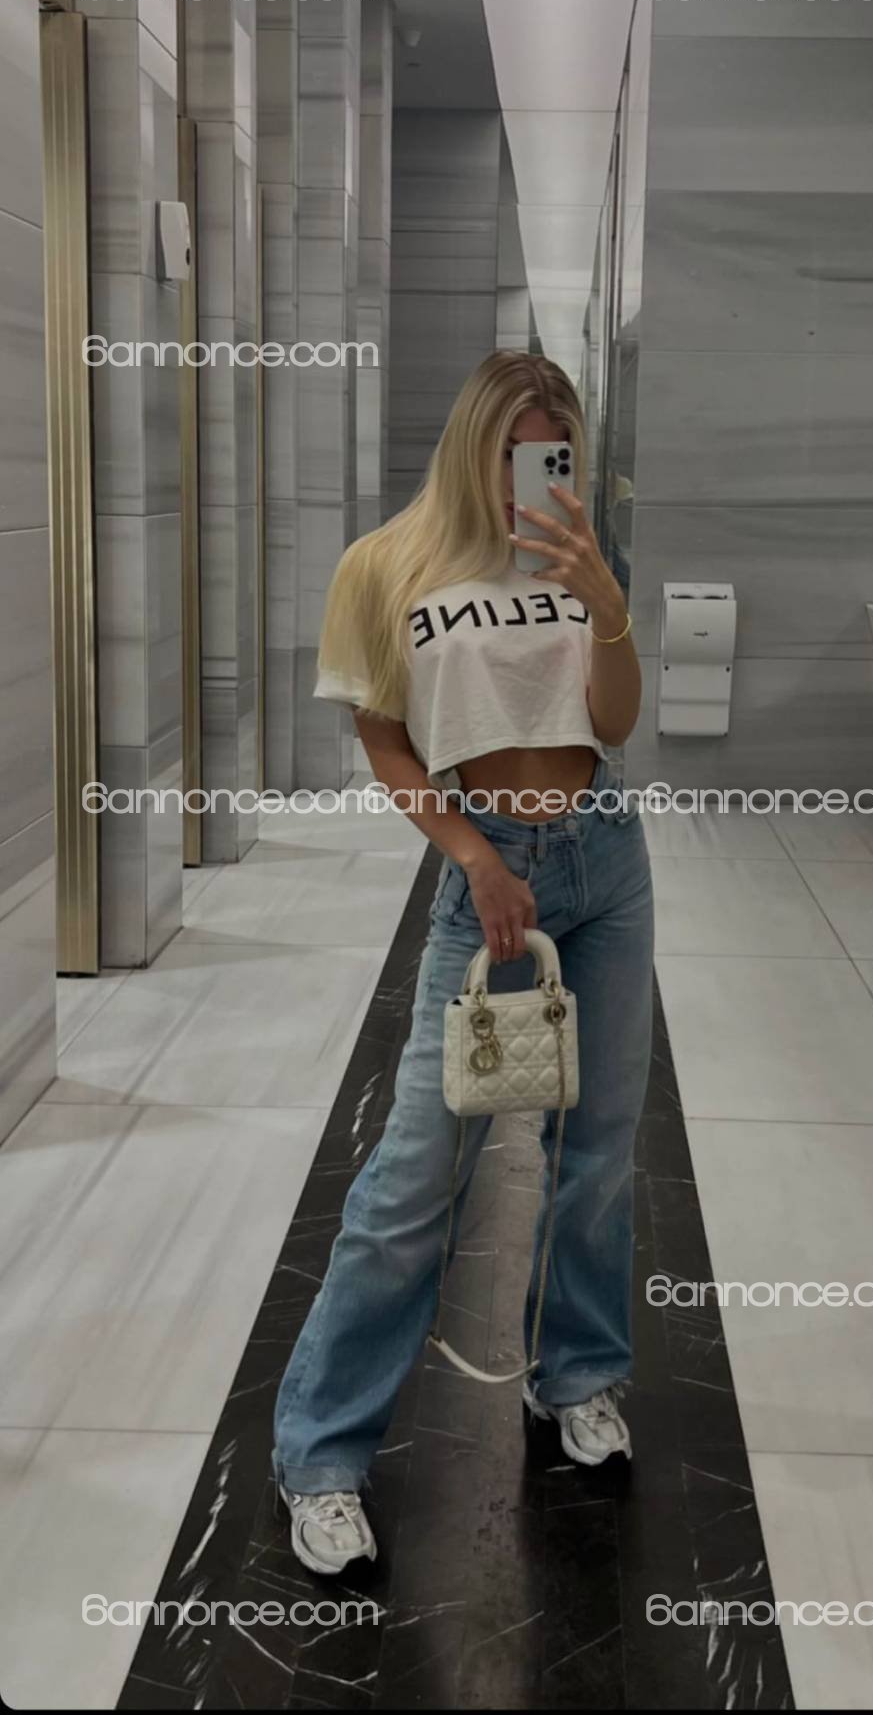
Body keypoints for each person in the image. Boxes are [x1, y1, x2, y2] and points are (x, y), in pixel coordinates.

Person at [272, 350, 654, 1575]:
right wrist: (472, 855)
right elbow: (385, 741)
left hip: (605, 857)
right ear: (469, 443)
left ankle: (576, 1378)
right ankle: (321, 1453)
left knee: (596, 1151)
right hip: (486, 870)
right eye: (511, 450)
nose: (528, 474)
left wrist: (604, 599)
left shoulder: (574, 553)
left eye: (551, 451)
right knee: (416, 1172)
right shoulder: (386, 565)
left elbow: (613, 720)